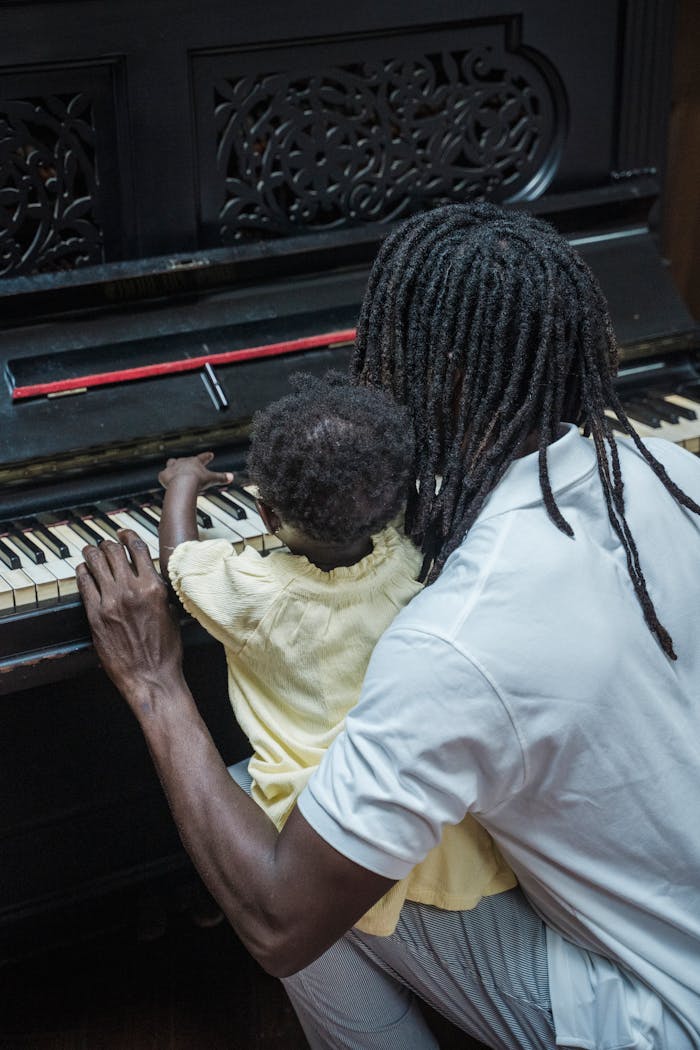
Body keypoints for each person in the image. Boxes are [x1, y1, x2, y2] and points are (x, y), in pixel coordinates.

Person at [76, 202, 700, 1050]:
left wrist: (155, 686)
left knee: (274, 852)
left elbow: (277, 921)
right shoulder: (660, 471)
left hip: (658, 1013)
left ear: (424, 372)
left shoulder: (454, 640)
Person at [155, 372, 514, 936]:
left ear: (267, 516)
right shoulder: (406, 556)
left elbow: (180, 562)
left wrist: (181, 483)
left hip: (312, 820)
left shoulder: (257, 596)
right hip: (411, 799)